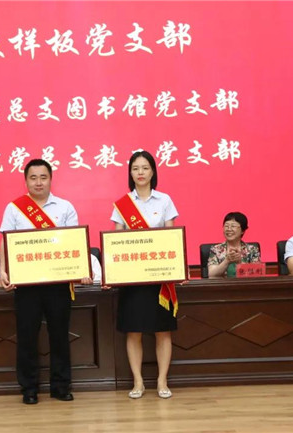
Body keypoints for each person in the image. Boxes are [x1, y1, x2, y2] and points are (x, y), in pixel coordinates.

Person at [0, 159, 91, 405]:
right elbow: (5, 241)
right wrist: (3, 270)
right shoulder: (14, 208)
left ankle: (60, 386)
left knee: (59, 335)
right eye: (33, 177)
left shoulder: (65, 207)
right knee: (27, 336)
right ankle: (29, 388)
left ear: (51, 179)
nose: (38, 182)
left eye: (43, 177)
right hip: (26, 285)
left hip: (58, 284)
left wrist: (81, 269)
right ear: (26, 180)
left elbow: (74, 242)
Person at [110, 150, 179, 399]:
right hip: (133, 278)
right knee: (134, 331)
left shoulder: (164, 201)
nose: (140, 172)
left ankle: (162, 380)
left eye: (145, 168)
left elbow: (171, 239)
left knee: (163, 330)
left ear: (153, 171)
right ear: (130, 173)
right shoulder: (122, 205)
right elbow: (116, 242)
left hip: (159, 278)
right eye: (135, 168)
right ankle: (138, 382)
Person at [207, 212, 261, 277]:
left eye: (233, 226)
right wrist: (227, 261)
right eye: (226, 226)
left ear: (242, 230)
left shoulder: (252, 250)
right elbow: (211, 274)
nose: (229, 229)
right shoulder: (216, 249)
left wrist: (240, 263)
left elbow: (257, 274)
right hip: (223, 283)